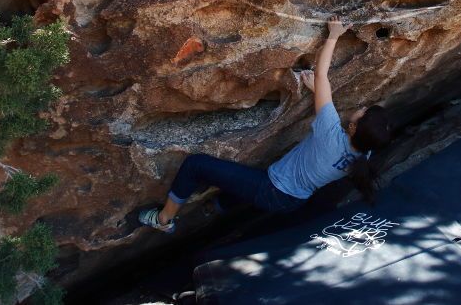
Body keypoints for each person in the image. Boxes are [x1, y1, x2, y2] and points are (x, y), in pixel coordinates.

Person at [138, 15, 392, 233]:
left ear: (353, 128)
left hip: (273, 190)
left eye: (363, 113)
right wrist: (319, 93)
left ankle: (164, 219)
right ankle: (216, 207)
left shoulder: (330, 132)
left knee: (196, 165)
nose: (361, 108)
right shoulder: (364, 152)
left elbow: (322, 75)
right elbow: (328, 102)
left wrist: (334, 34)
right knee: (246, 182)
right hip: (295, 199)